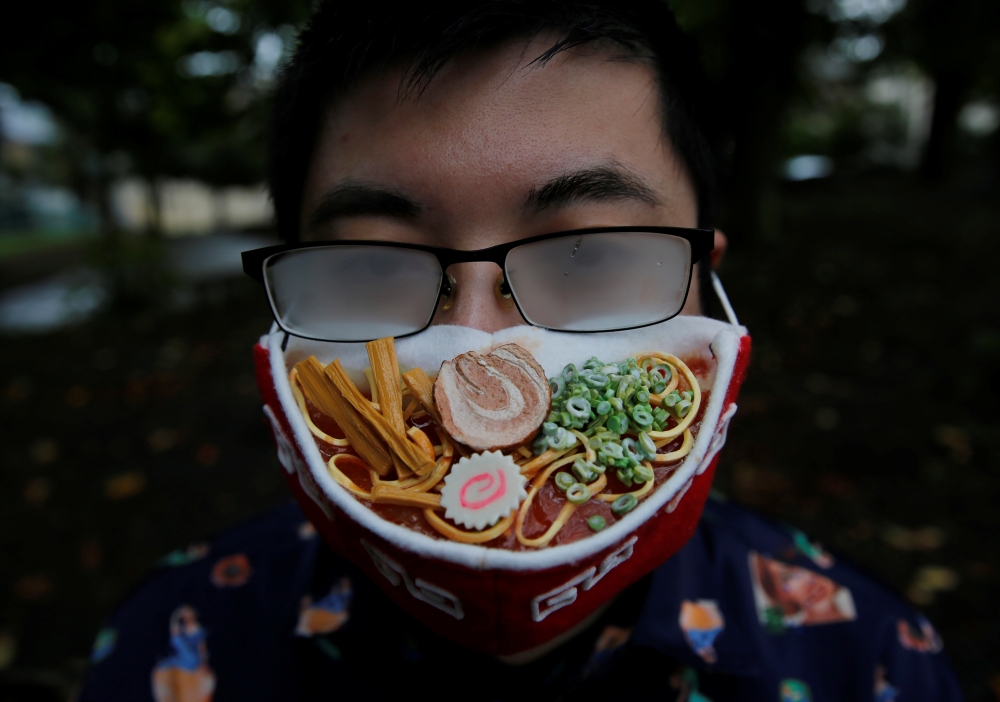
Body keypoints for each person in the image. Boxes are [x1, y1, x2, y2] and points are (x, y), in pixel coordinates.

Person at [80, 2, 963, 700]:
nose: (478, 354)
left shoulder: (872, 662)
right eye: (372, 265)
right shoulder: (175, 647)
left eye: (591, 256)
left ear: (708, 284)